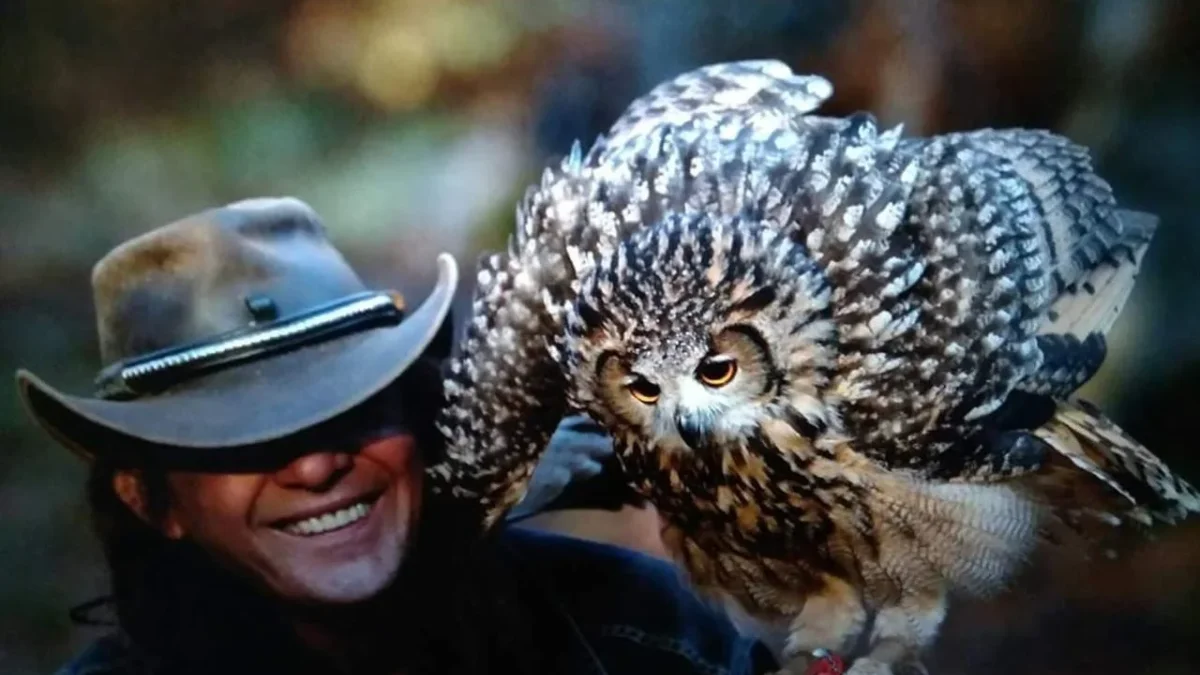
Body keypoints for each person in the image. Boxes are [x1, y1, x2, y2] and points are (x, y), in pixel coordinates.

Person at [16, 197, 781, 675]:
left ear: (421, 425)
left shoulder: (645, 631)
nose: (315, 463)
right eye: (240, 441)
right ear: (152, 500)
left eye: (352, 411)